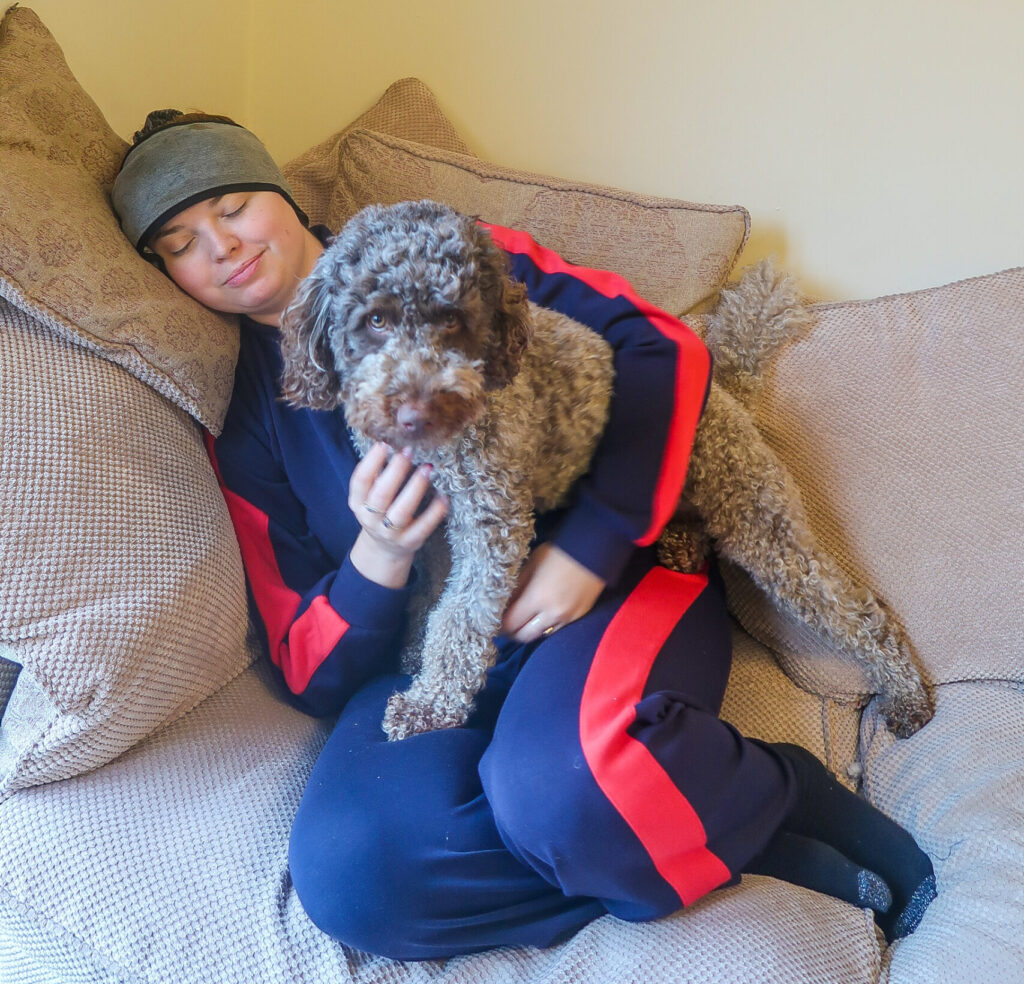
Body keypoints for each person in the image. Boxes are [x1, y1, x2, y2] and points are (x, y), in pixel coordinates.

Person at [111, 111, 936, 960]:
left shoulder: (448, 252)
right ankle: (712, 829)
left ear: (278, 192)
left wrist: (594, 545)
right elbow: (302, 660)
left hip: (602, 590)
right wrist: (379, 557)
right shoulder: (245, 419)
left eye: (235, 204)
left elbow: (663, 351)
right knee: (359, 880)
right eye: (178, 242)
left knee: (564, 794)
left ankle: (778, 790)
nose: (219, 245)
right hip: (433, 651)